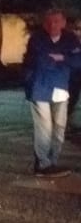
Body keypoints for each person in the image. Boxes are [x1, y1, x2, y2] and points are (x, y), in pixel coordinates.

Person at [23, 9, 80, 178]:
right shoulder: (37, 39)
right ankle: (42, 164)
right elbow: (40, 61)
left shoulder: (70, 39)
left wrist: (62, 58)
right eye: (49, 22)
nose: (52, 25)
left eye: (56, 21)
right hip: (40, 88)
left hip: (61, 89)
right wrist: (65, 59)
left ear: (63, 23)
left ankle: (52, 162)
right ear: (44, 24)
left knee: (59, 128)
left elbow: (78, 61)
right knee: (44, 128)